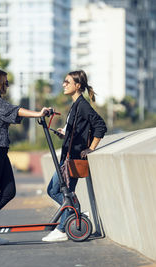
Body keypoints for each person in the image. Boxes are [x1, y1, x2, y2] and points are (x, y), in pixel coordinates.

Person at [0, 69, 50, 244]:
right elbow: (14, 111)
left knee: (9, 191)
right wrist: (38, 113)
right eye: (5, 82)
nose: (7, 86)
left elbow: (11, 116)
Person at [42, 70, 107, 242]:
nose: (63, 84)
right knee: (57, 191)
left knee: (59, 191)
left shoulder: (83, 105)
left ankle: (65, 226)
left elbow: (100, 126)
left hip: (74, 158)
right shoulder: (75, 105)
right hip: (67, 157)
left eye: (67, 82)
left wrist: (91, 148)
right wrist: (65, 133)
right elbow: (78, 130)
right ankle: (72, 215)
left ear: (77, 86)